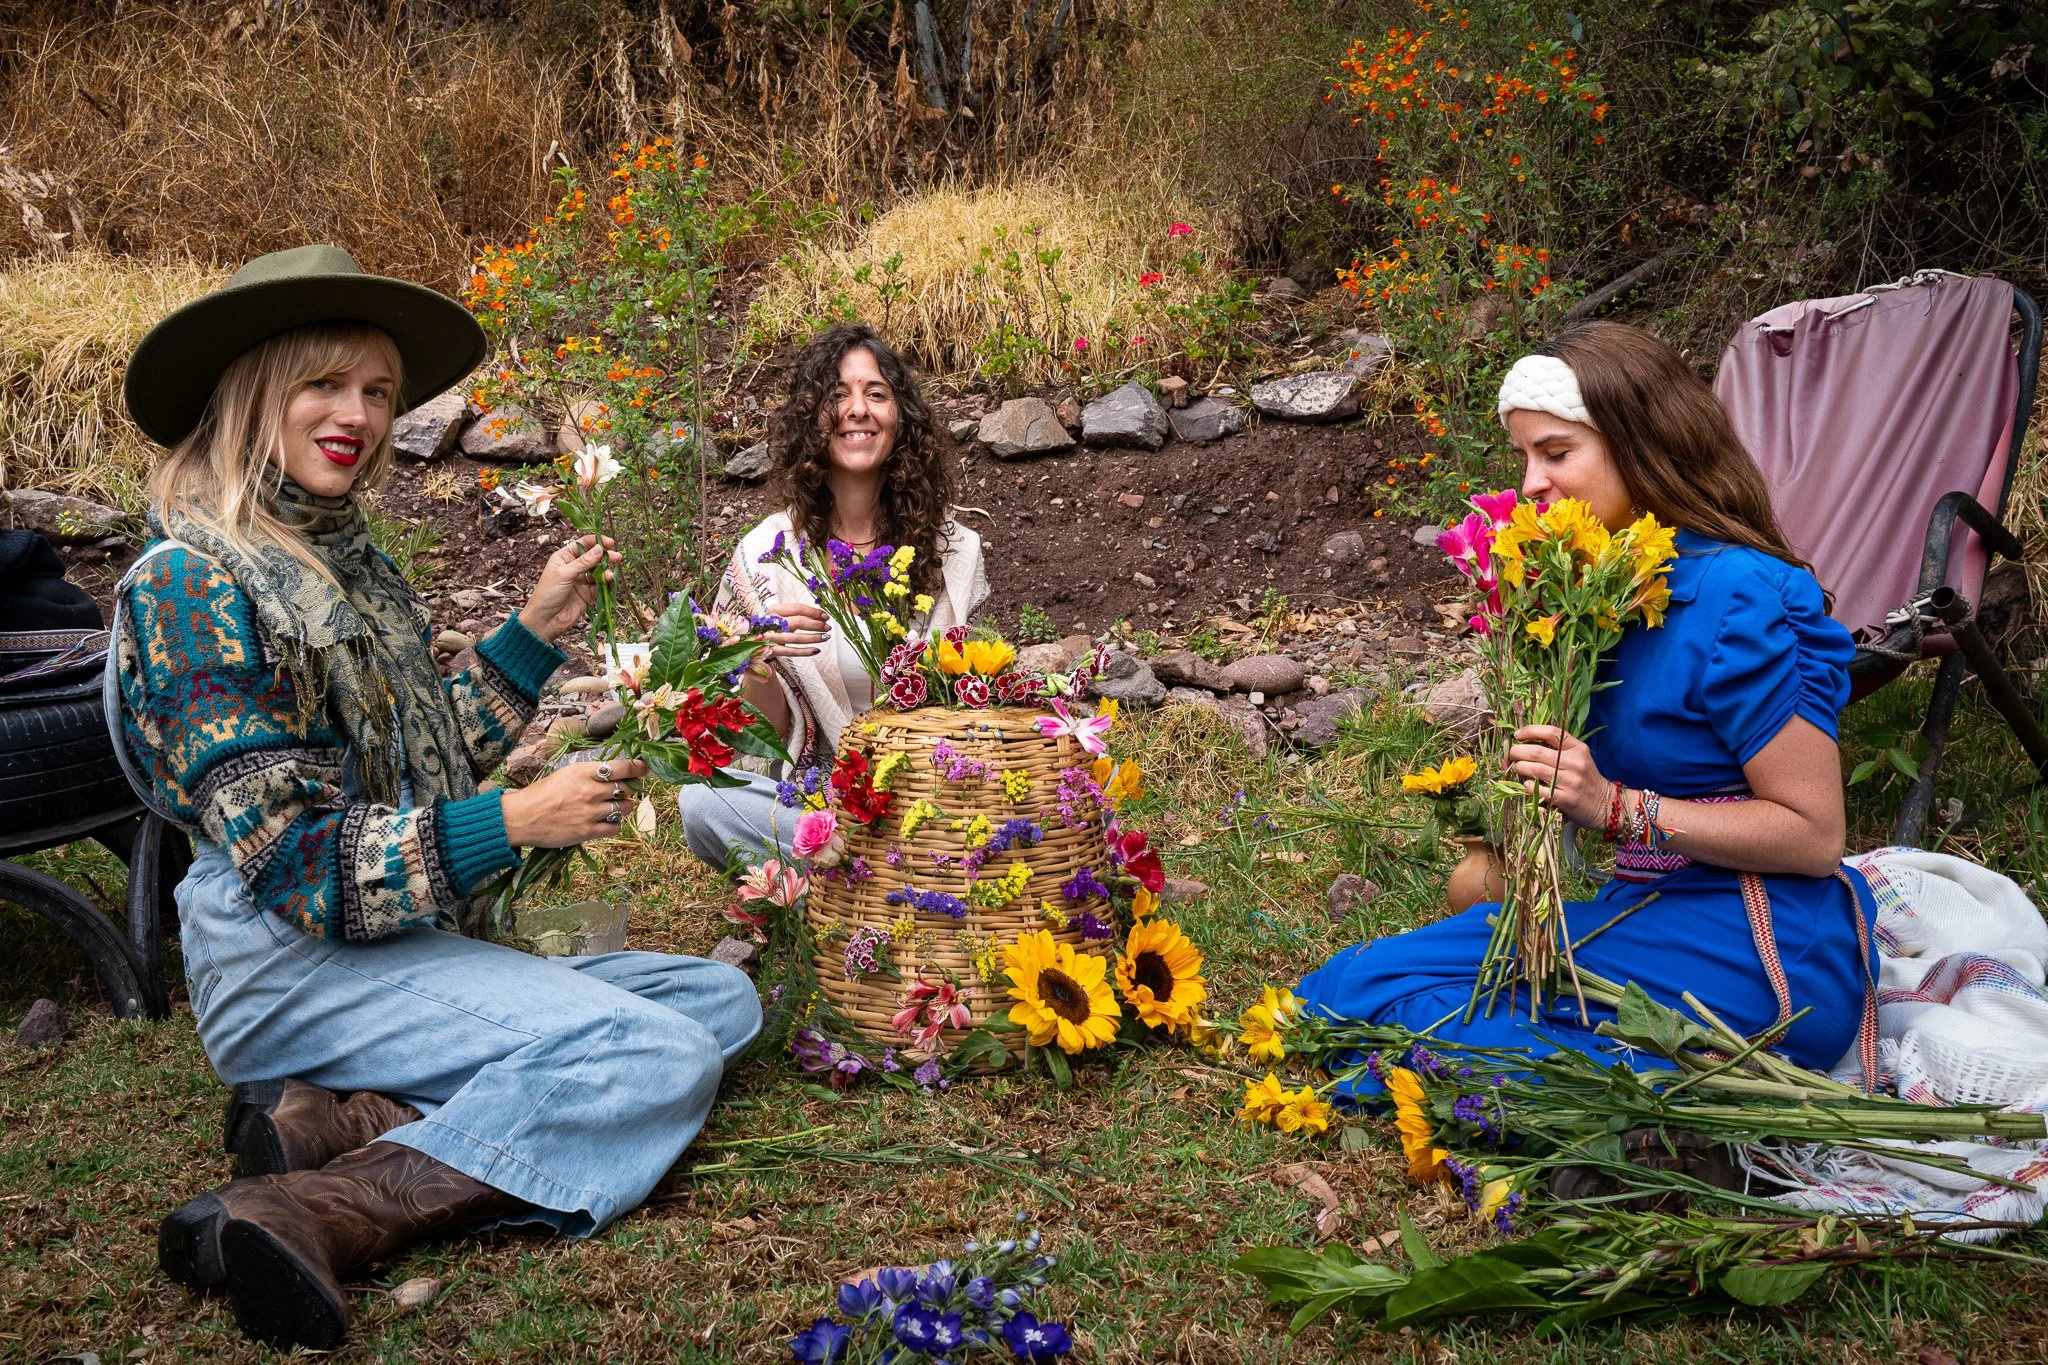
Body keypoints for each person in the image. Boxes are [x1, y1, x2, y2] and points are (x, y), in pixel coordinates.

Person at [110, 245, 761, 1350]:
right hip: (288, 965)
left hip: (393, 945)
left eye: (375, 391)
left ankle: (338, 1119)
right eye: (324, 384)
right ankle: (316, 1208)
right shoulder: (192, 584)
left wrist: (532, 632)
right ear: (254, 394)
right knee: (653, 1056)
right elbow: (299, 864)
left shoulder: (346, 562)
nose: (355, 414)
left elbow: (417, 775)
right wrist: (515, 824)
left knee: (714, 1002)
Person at [1298, 321, 1878, 1083]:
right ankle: (1643, 1096)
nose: (1532, 482)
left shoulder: (1742, 596)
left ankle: (1671, 1112)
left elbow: (1813, 835)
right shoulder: (1595, 595)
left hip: (1757, 934)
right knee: (1346, 993)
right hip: (1642, 906)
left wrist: (1614, 807)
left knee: (1454, 1041)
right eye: (1525, 456)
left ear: (1642, 445)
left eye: (1557, 453)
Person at [676, 322, 987, 870]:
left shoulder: (954, 552)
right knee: (703, 803)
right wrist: (754, 660)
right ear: (811, 421)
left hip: (930, 795)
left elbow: (972, 712)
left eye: (876, 393)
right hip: (819, 805)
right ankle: (856, 870)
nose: (857, 410)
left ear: (902, 420)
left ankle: (866, 880)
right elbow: (761, 743)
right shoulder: (766, 554)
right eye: (837, 395)